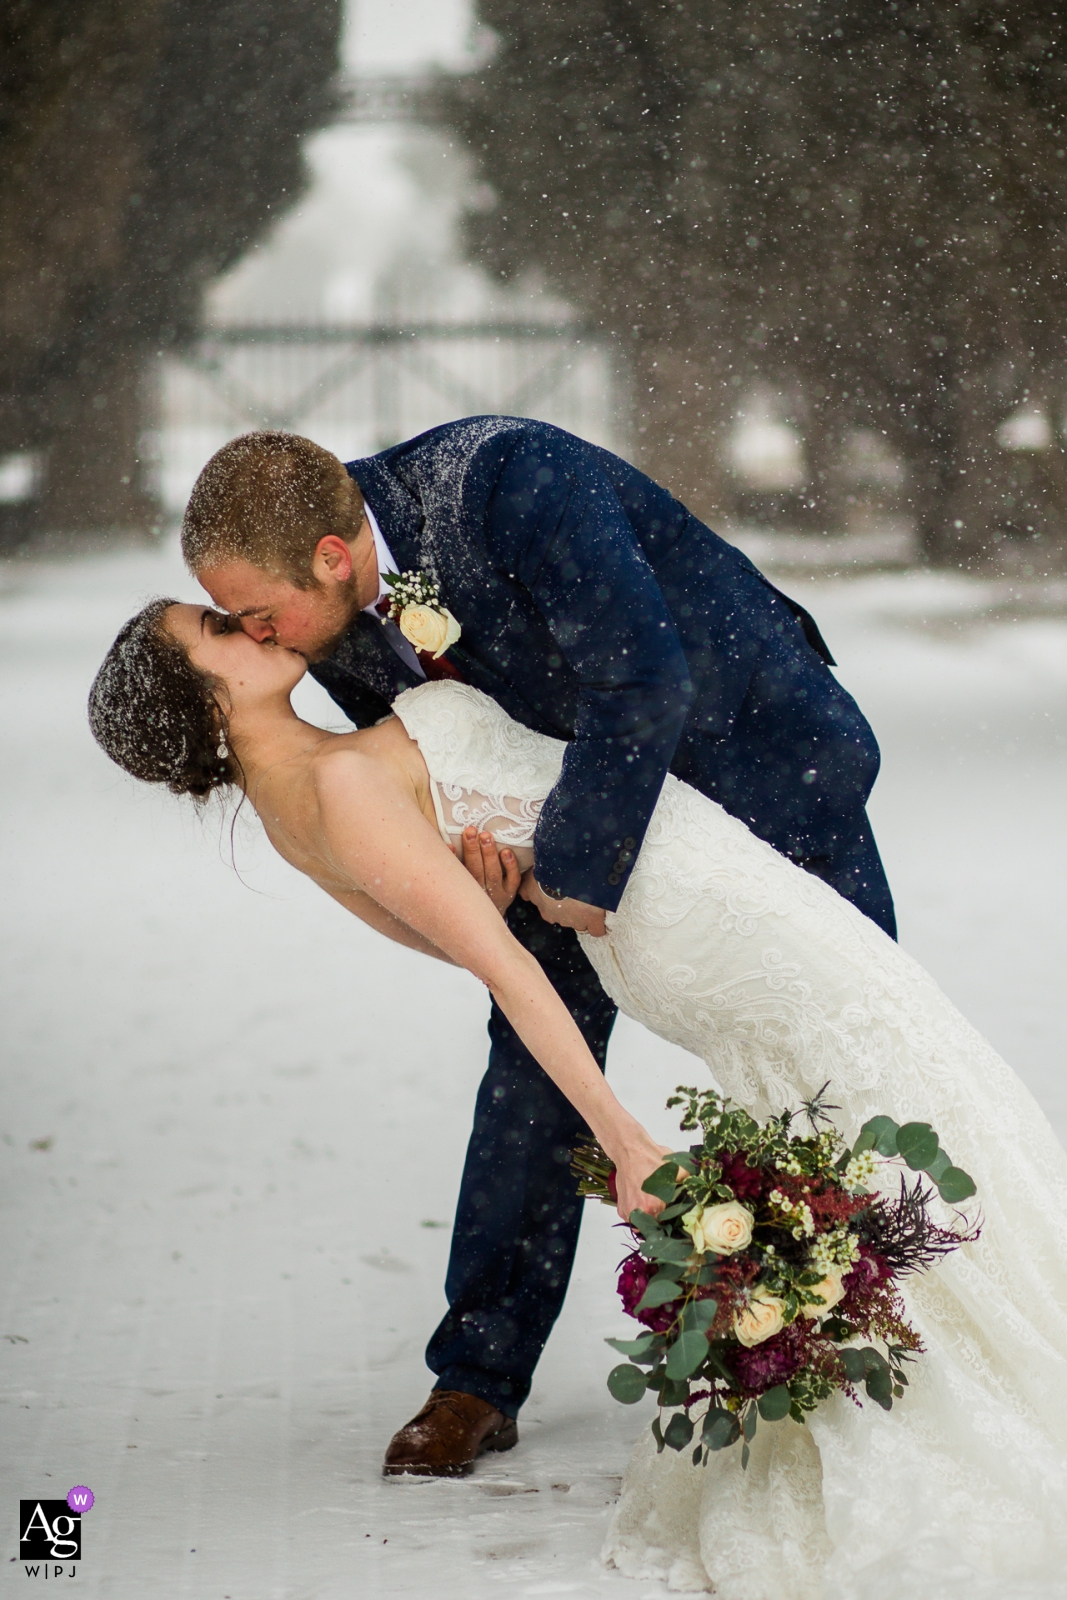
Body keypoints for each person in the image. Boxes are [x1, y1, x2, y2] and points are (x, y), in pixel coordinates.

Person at [88, 611, 1067, 1595]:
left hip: (674, 889)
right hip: (689, 899)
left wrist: (507, 882)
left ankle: (941, 1353)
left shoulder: (290, 803)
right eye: (217, 627)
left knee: (876, 1079)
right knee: (900, 1061)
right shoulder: (336, 783)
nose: (250, 622)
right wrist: (623, 1135)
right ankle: (982, 1375)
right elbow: (507, 972)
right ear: (204, 696)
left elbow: (455, 933)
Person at [173, 419, 897, 1478]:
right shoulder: (320, 621)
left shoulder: (512, 481)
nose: (262, 639)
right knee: (530, 1064)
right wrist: (474, 859)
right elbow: (423, 737)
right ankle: (474, 1375)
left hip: (755, 766)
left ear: (332, 557)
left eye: (258, 613)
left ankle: (866, 1318)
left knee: (850, 1049)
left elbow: (639, 678)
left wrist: (570, 867)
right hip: (562, 823)